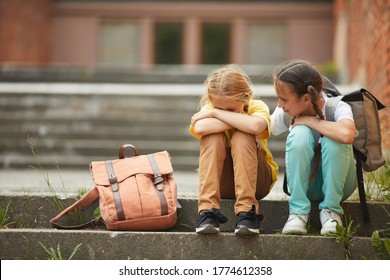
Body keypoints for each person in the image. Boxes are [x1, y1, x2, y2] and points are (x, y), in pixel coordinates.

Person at [189, 65, 278, 235]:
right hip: (222, 182)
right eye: (218, 109)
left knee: (242, 136)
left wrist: (215, 115)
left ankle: (247, 212)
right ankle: (207, 211)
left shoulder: (257, 106)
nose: (222, 112)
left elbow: (254, 125)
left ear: (246, 98)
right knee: (212, 137)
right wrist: (240, 119)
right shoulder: (210, 108)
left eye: (230, 110)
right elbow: (200, 128)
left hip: (257, 182)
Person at [271, 60, 357, 235]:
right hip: (307, 184)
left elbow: (347, 134)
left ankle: (331, 211)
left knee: (335, 138)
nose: (280, 104)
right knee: (299, 133)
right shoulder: (284, 111)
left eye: (284, 99)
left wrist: (311, 121)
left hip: (340, 185)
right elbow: (264, 127)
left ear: (306, 98)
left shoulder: (338, 106)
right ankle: (298, 213)